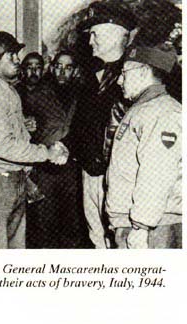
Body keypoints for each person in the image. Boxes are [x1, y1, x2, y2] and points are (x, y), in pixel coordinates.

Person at [0, 31, 69, 249]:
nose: (17, 61)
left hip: (13, 177)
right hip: (0, 181)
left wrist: (23, 126)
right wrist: (46, 153)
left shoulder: (6, 90)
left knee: (16, 247)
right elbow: (4, 146)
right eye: (11, 57)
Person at [64, 1, 137, 248]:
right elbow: (81, 126)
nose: (90, 41)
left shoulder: (136, 76)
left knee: (122, 242)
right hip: (90, 173)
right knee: (97, 238)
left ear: (116, 33)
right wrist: (66, 147)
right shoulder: (91, 78)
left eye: (95, 34)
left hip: (119, 177)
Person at [106, 45, 181, 249]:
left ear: (144, 72)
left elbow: (157, 173)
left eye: (124, 74)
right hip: (136, 224)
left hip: (154, 228)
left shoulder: (162, 112)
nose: (119, 81)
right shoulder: (144, 109)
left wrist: (141, 227)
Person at [27, 50, 92, 248]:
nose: (63, 72)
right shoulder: (36, 95)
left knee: (72, 223)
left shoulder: (83, 95)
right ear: (52, 68)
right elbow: (23, 128)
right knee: (44, 225)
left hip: (72, 169)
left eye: (68, 67)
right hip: (45, 168)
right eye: (59, 66)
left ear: (75, 71)